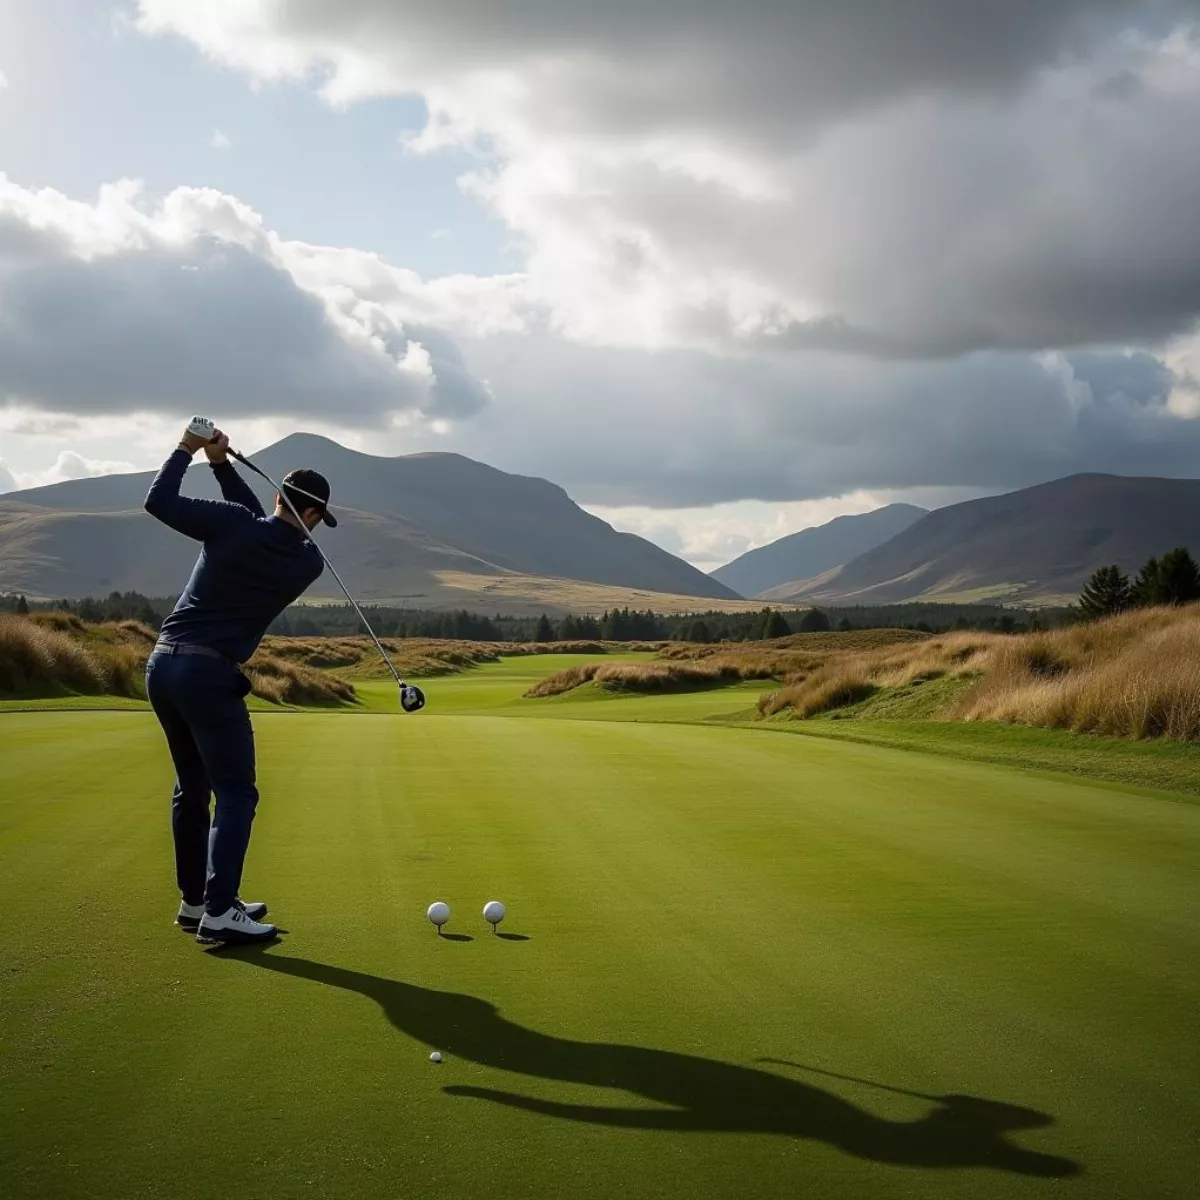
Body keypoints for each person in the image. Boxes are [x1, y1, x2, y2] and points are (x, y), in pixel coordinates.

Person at [143, 422, 335, 944]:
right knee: (236, 794)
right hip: (208, 676)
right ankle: (221, 911)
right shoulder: (308, 562)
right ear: (312, 515)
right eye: (319, 519)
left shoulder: (232, 525)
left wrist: (196, 453)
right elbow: (261, 526)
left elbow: (159, 501)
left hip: (162, 666)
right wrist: (219, 464)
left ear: (277, 496)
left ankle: (197, 901)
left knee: (193, 788)